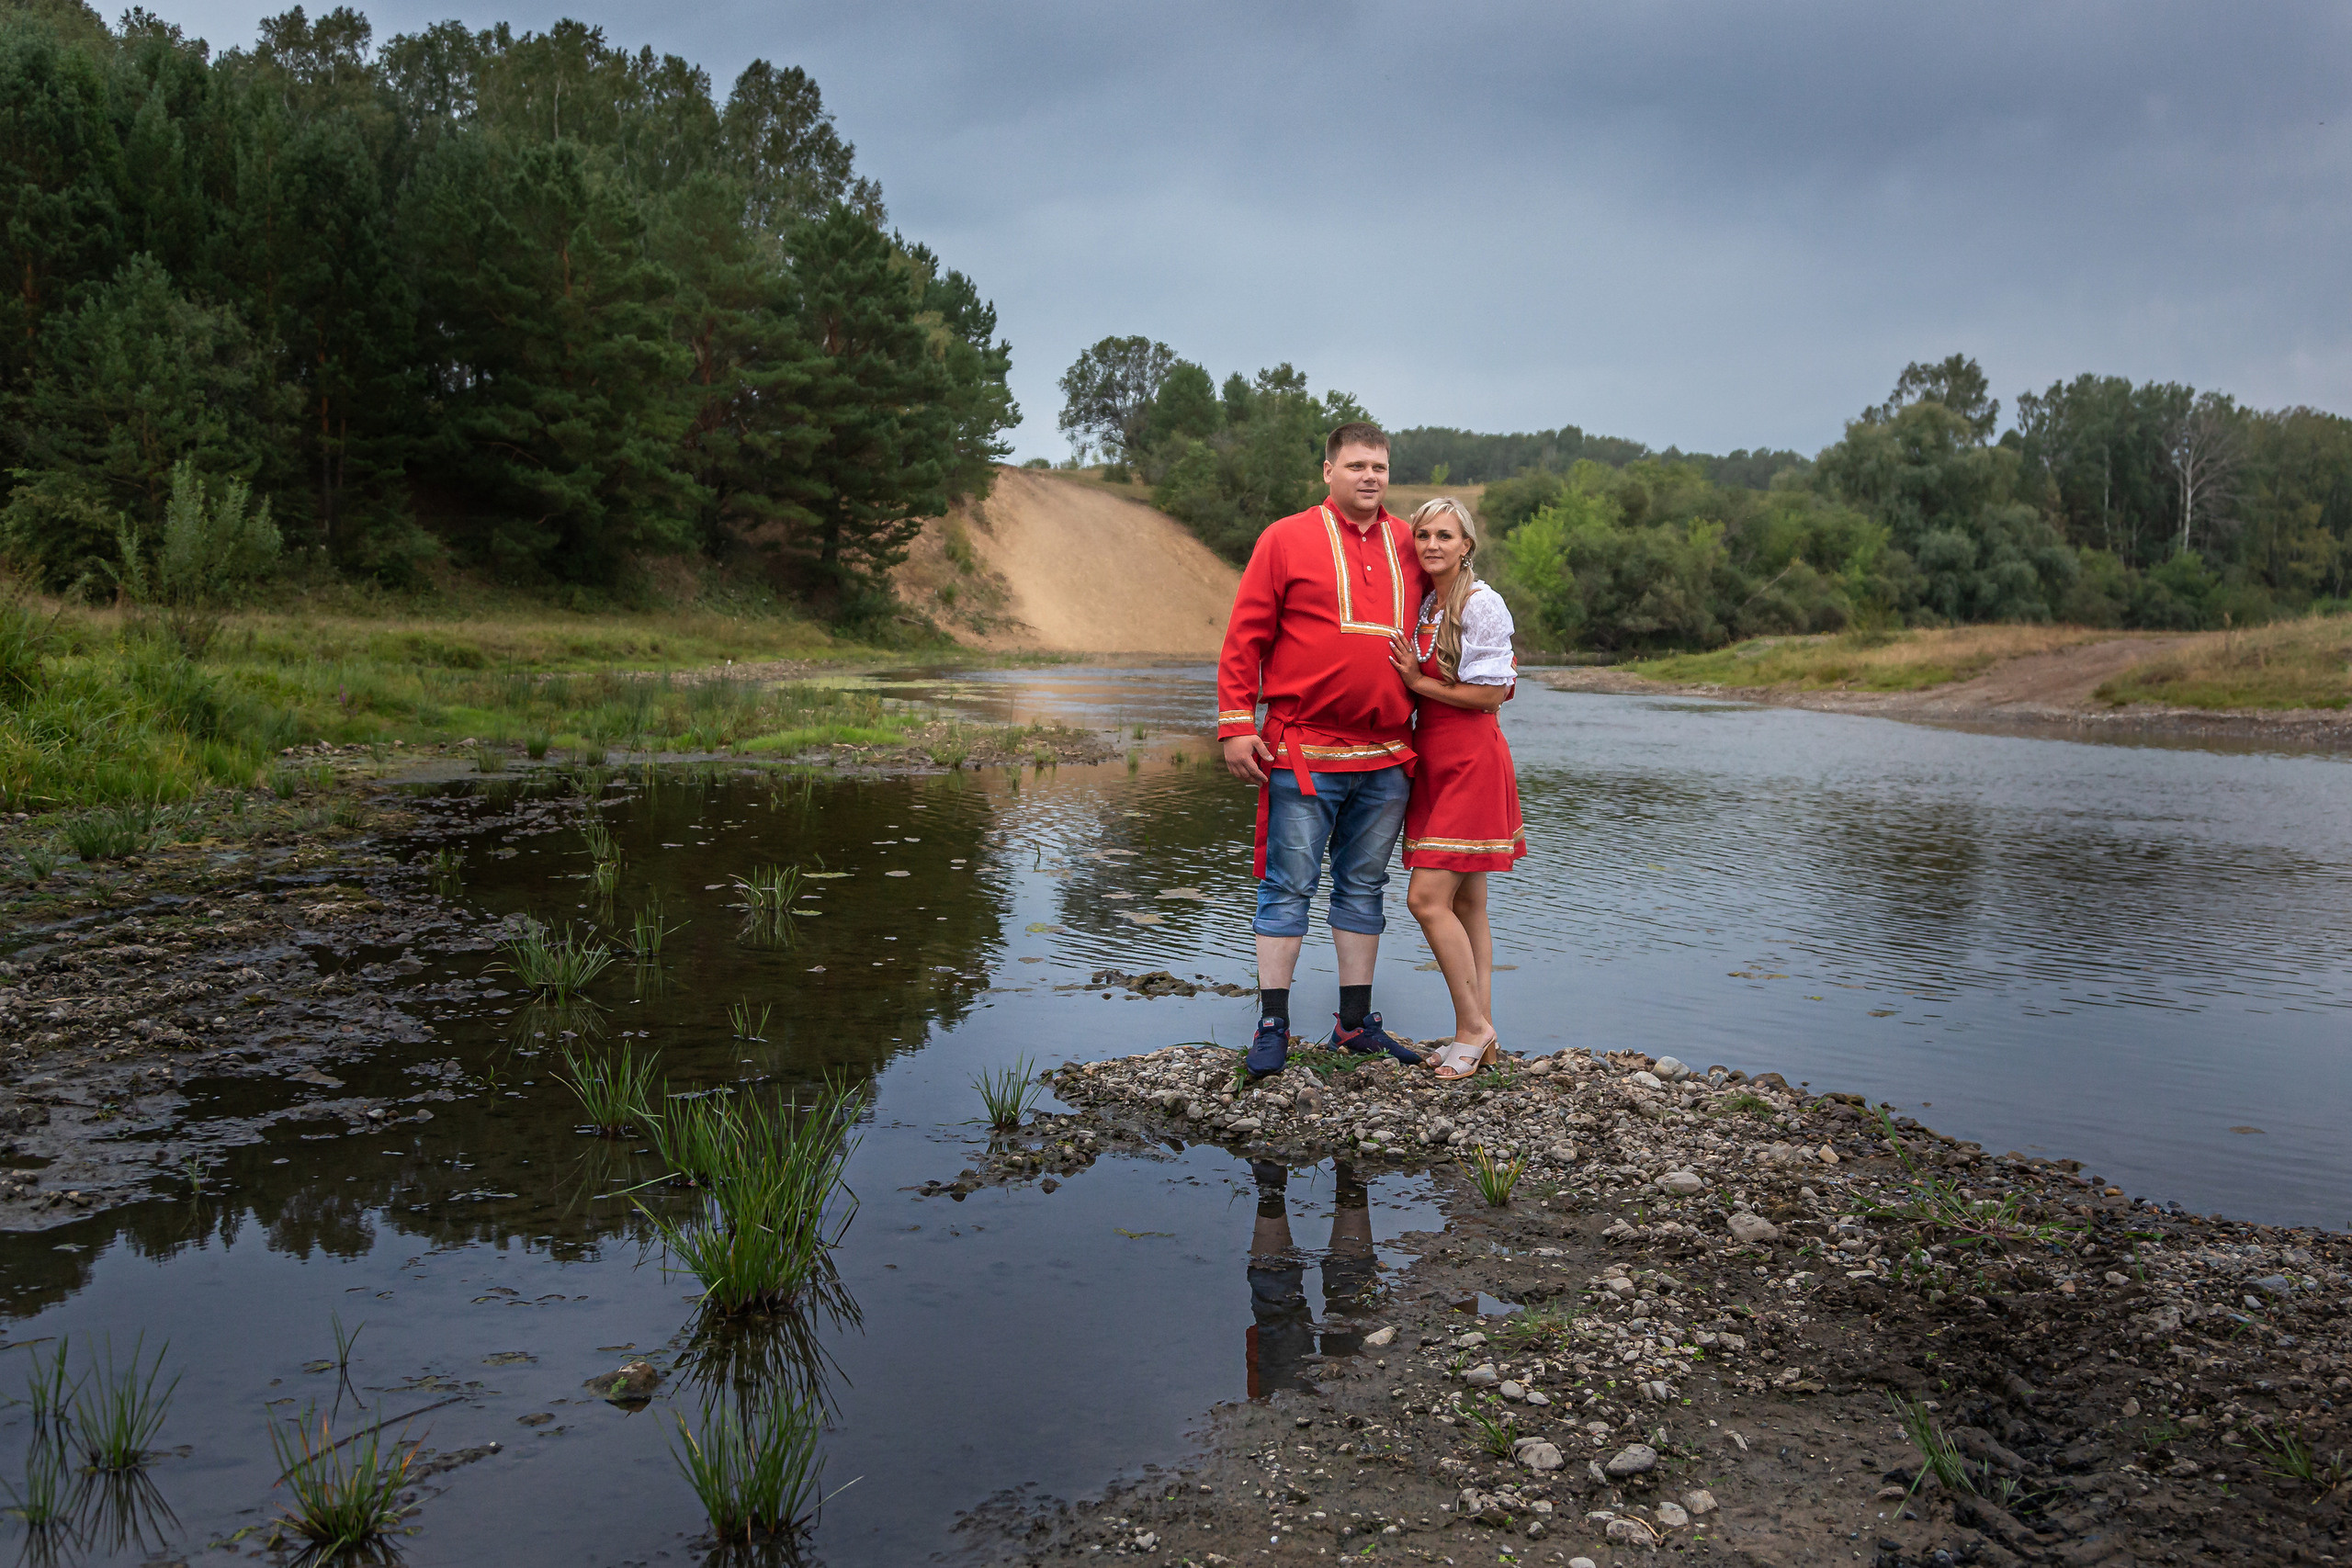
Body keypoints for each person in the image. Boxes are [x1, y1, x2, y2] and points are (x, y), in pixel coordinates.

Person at [1218, 423, 1430, 1077]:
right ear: (1327, 469)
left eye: (1381, 466)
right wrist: (1234, 723)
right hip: (1302, 749)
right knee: (1287, 888)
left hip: (1388, 753)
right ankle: (1273, 1023)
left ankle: (1354, 1025)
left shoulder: (1410, 544)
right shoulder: (1285, 537)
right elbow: (1244, 636)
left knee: (1366, 887)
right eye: (1358, 464)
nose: (1371, 476)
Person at [1385, 497, 1525, 1080]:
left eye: (1446, 535)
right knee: (1467, 904)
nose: (1433, 545)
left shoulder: (1480, 603)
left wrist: (1418, 682)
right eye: (1423, 536)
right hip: (1435, 758)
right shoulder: (1423, 605)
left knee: (1425, 899)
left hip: (1470, 757)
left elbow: (1492, 694)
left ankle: (1471, 1027)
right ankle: (1483, 1033)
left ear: (1467, 544)